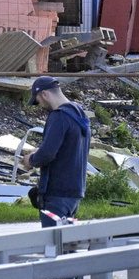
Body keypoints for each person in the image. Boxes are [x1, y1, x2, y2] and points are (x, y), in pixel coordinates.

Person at [21, 76, 91, 227]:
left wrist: (31, 160)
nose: (40, 105)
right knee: (67, 243)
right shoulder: (79, 114)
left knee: (53, 244)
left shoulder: (59, 116)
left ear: (44, 94)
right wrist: (40, 150)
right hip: (74, 192)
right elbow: (66, 147)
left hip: (56, 193)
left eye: (38, 100)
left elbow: (47, 153)